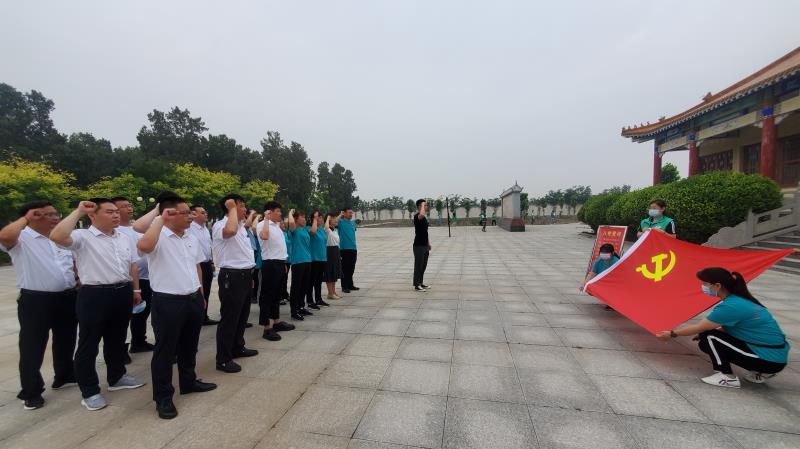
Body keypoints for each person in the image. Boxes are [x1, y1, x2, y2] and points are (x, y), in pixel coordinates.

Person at [50, 199, 146, 411]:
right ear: (92, 215)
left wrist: (136, 290)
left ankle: (117, 377)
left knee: (117, 339)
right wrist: (78, 211)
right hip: (94, 294)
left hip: (122, 291)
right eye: (109, 212)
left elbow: (132, 265)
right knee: (89, 343)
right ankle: (89, 391)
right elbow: (56, 236)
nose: (116, 215)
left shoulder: (123, 237)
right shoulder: (82, 237)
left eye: (116, 211)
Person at [137, 192, 217, 419]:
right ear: (169, 214)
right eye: (185, 213)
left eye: (190, 212)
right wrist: (159, 218)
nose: (190, 216)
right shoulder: (158, 235)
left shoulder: (190, 237)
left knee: (190, 345)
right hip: (168, 301)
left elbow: (196, 266)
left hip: (192, 298)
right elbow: (143, 245)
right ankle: (163, 397)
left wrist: (201, 293)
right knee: (165, 351)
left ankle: (188, 381)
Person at [0, 201, 78, 410]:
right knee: (32, 347)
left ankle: (64, 375)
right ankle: (31, 391)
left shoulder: (59, 238)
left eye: (55, 213)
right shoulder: (21, 238)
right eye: (47, 214)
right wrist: (25, 219)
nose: (55, 217)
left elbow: (70, 263)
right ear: (31, 216)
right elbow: (4, 237)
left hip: (67, 297)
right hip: (36, 300)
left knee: (66, 339)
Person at [656, 267, 789, 388]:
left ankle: (726, 376)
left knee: (709, 337)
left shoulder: (732, 306)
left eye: (705, 283)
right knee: (708, 335)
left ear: (717, 285)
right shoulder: (741, 300)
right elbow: (729, 327)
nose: (703, 286)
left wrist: (672, 334)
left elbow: (700, 327)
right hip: (776, 358)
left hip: (768, 360)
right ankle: (761, 373)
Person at [212, 194, 259, 374]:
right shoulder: (221, 225)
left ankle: (237, 347)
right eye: (240, 206)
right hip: (231, 276)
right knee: (230, 319)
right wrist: (231, 207)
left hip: (245, 275)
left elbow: (244, 253)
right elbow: (229, 232)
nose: (244, 209)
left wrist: (250, 275)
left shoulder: (240, 227)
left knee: (242, 316)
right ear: (229, 207)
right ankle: (223, 359)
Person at [113, 197, 154, 355]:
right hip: (127, 280)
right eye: (124, 206)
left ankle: (139, 341)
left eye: (129, 205)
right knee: (123, 317)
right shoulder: (115, 231)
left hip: (145, 277)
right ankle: (120, 350)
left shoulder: (137, 227)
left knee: (142, 312)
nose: (129, 208)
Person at [256, 201, 296, 342]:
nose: (280, 213)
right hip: (270, 264)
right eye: (277, 211)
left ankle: (276, 322)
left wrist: (283, 263)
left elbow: (279, 246)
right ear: (269, 212)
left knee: (276, 295)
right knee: (267, 296)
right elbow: (264, 236)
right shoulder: (262, 224)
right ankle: (267, 328)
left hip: (279, 263)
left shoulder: (277, 226)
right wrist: (266, 219)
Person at [188, 205, 218, 325]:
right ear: (193, 214)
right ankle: (196, 318)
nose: (206, 214)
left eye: (205, 212)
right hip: (196, 264)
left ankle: (204, 316)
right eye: (203, 212)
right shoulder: (190, 227)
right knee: (197, 292)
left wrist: (212, 262)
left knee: (206, 291)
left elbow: (208, 246)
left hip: (206, 264)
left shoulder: (205, 228)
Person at [287, 209, 316, 320]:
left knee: (304, 286)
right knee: (296, 287)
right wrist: (290, 213)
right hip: (298, 261)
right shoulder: (293, 230)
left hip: (307, 260)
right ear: (295, 219)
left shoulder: (304, 230)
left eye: (304, 217)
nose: (304, 219)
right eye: (302, 217)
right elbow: (290, 223)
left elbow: (313, 231)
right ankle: (294, 311)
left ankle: (301, 307)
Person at [309, 211, 331, 308]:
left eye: (321, 217)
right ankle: (310, 301)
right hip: (314, 259)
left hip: (322, 258)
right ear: (312, 219)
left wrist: (326, 219)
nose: (320, 219)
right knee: (311, 281)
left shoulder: (322, 229)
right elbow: (313, 232)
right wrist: (314, 220)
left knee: (318, 281)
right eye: (318, 217)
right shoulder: (309, 228)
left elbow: (326, 228)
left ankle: (318, 299)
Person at [338, 207, 359, 293]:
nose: (351, 214)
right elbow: (334, 221)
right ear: (344, 213)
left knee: (351, 267)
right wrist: (340, 214)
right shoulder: (340, 222)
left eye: (351, 213)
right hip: (344, 249)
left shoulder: (353, 223)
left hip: (353, 248)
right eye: (349, 212)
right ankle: (344, 286)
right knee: (345, 268)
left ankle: (350, 284)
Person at [412, 199, 432, 292]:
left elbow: (425, 232)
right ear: (419, 206)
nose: (426, 207)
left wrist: (428, 243)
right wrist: (423, 204)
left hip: (424, 245)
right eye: (425, 205)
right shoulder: (417, 216)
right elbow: (422, 214)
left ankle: (420, 282)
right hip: (418, 245)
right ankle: (417, 285)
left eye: (426, 205)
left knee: (423, 266)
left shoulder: (424, 218)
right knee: (418, 266)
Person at [324, 212, 343, 300]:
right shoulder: (327, 230)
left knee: (335, 272)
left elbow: (335, 221)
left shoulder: (335, 230)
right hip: (329, 252)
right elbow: (326, 227)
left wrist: (339, 215)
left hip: (336, 251)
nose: (336, 220)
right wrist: (328, 218)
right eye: (334, 218)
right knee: (330, 272)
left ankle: (333, 292)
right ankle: (330, 293)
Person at [246, 210, 262, 305]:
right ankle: (253, 295)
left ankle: (254, 295)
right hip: (252, 257)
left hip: (255, 256)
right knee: (254, 278)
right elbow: (254, 227)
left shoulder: (257, 228)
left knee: (255, 278)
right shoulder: (248, 228)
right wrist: (256, 216)